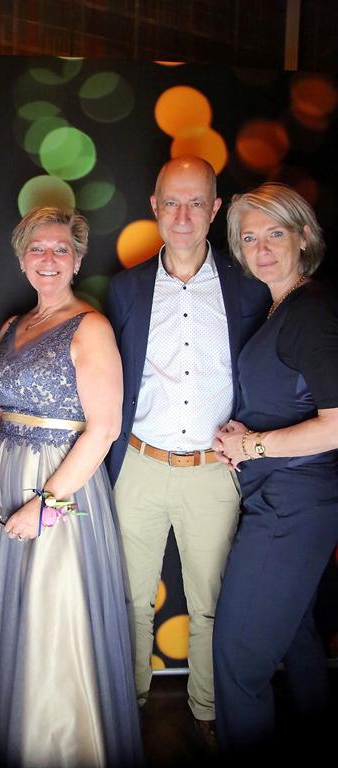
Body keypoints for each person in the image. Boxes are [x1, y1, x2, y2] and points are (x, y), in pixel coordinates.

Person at [0, 206, 142, 768]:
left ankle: (58, 746)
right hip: (2, 480)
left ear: (78, 260)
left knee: (52, 612)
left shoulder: (92, 327)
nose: (49, 258)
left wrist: (45, 505)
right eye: (37, 248)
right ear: (21, 258)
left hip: (62, 484)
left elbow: (104, 429)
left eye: (62, 249)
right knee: (8, 608)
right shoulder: (12, 326)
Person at [105, 155, 270, 748]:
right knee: (129, 600)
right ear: (154, 206)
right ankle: (127, 709)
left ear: (215, 209)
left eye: (196, 202)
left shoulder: (248, 288)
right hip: (140, 466)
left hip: (212, 472)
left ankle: (208, 711)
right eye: (171, 202)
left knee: (212, 604)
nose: (182, 216)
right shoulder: (124, 288)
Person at [212, 182, 338, 753]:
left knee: (238, 658)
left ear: (303, 237)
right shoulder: (282, 308)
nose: (261, 249)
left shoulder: (311, 311)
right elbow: (285, 400)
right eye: (248, 238)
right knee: (297, 637)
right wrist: (242, 438)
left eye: (275, 233)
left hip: (293, 506)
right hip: (281, 497)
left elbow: (334, 424)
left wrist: (253, 448)